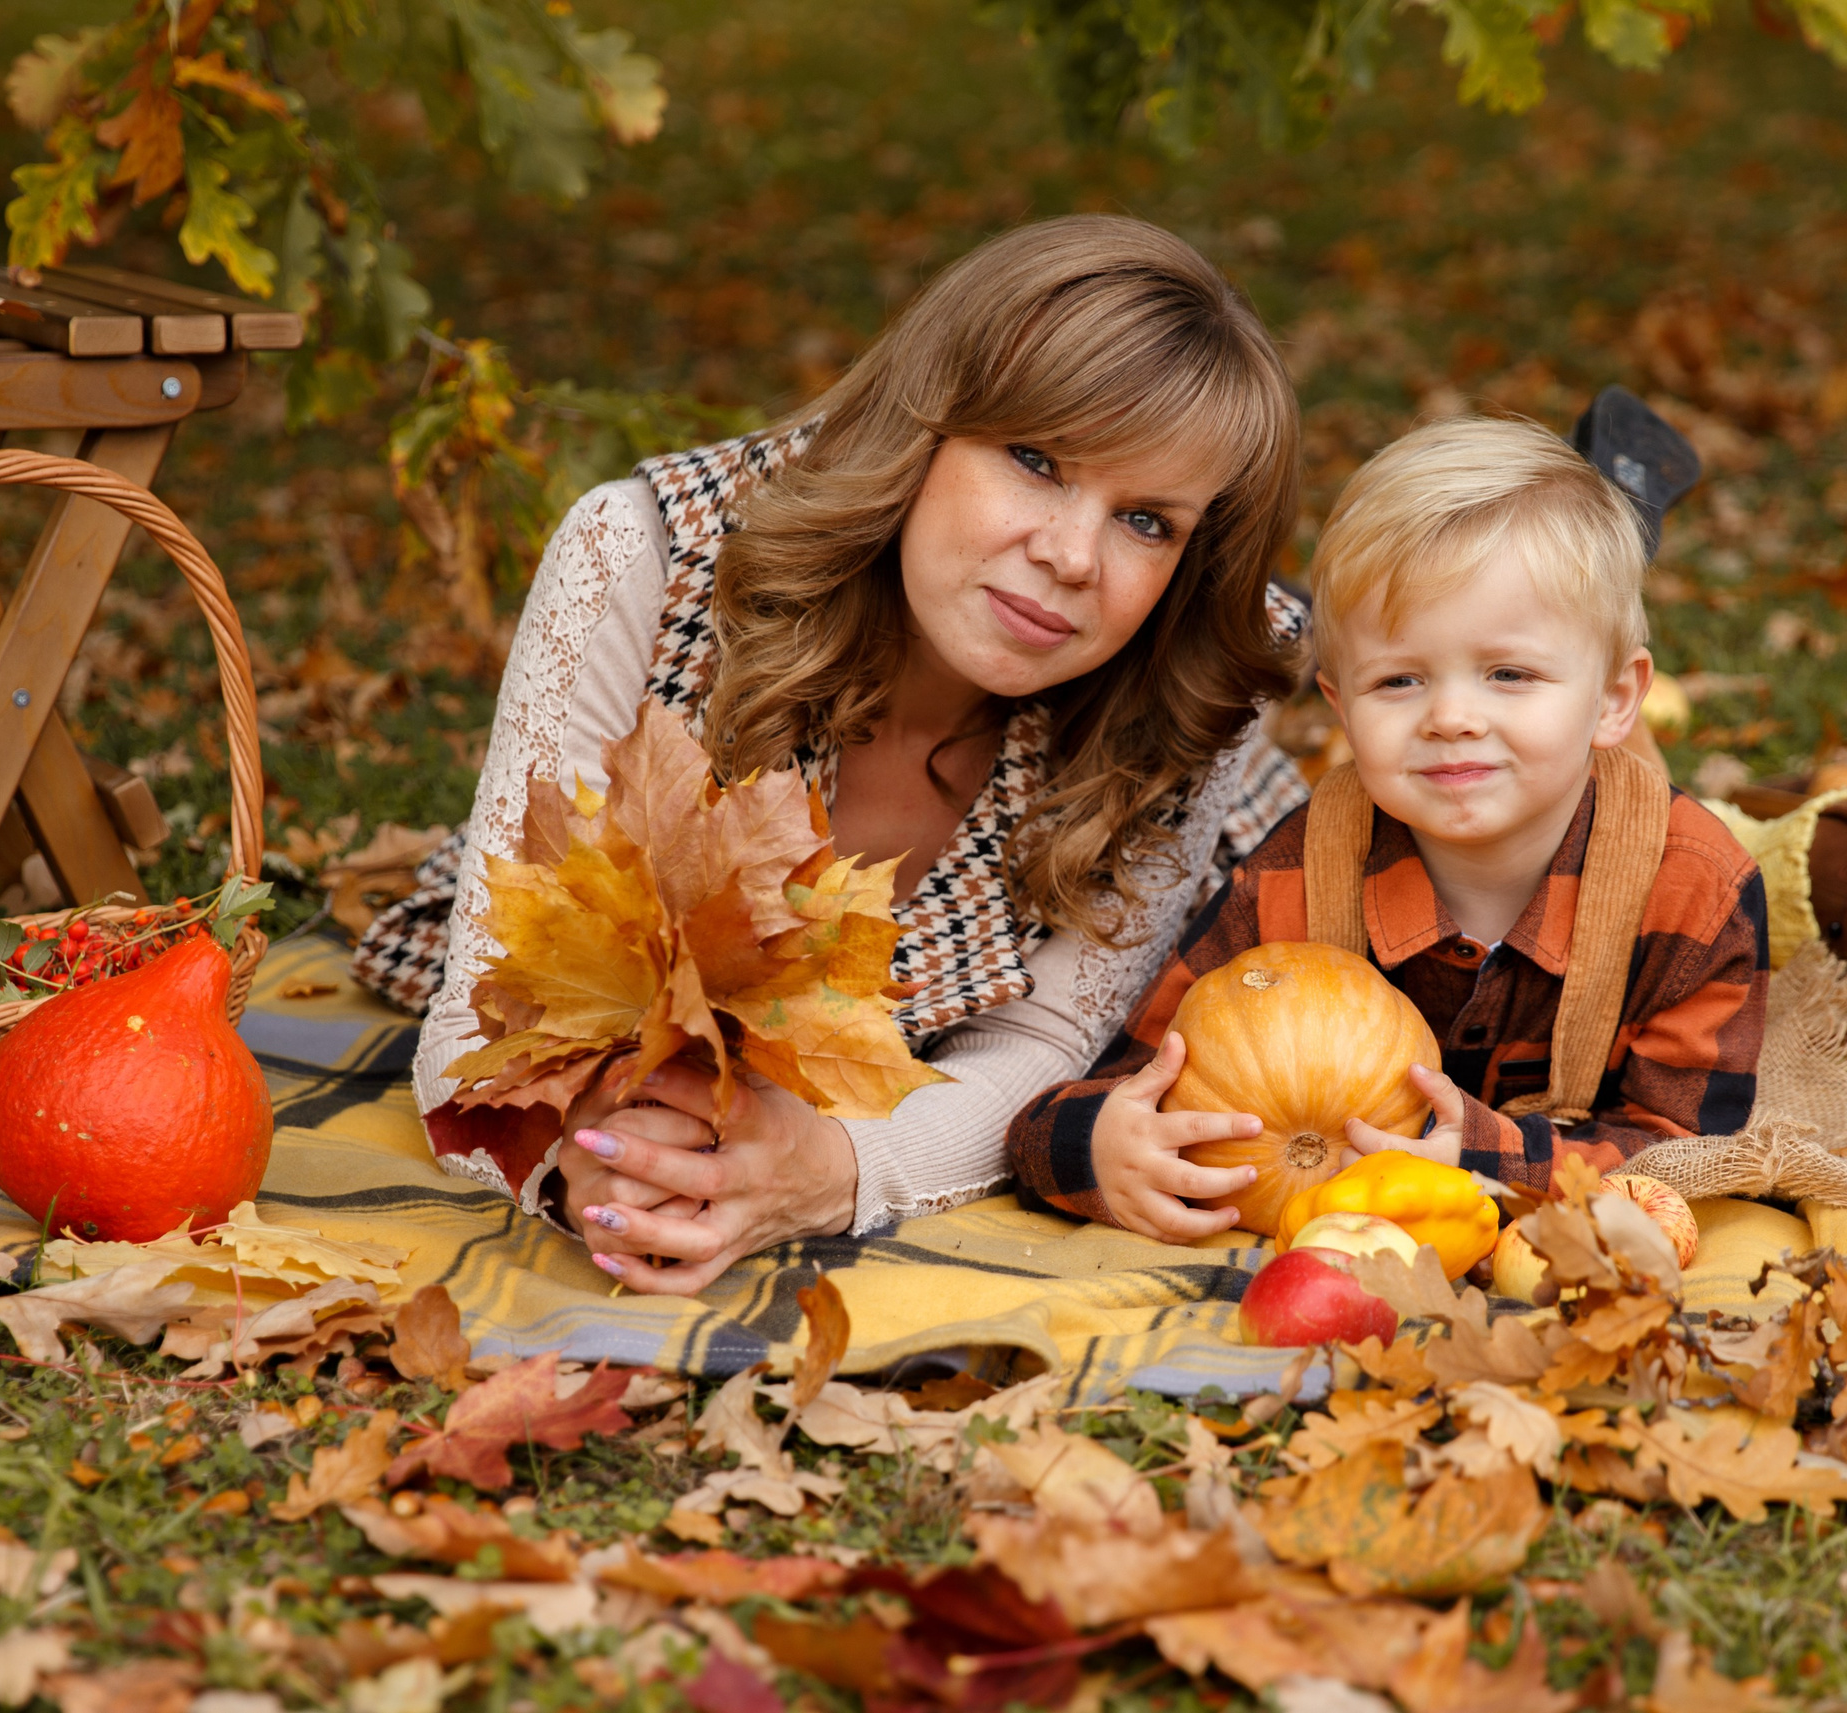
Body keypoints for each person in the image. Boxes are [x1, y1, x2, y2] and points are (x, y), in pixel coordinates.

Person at [353, 215, 1311, 1293]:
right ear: (925, 424)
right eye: (1035, 461)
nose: (1070, 556)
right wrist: (593, 1167)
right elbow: (482, 996)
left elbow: (1043, 1042)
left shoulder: (1193, 678)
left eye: (1146, 520)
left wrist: (836, 1171)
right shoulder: (645, 558)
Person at [1006, 414, 1769, 1241]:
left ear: (1617, 698)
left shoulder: (1694, 887)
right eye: (1399, 680)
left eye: (1509, 673)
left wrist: (1485, 1159)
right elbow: (1105, 1093)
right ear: (1340, 704)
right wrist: (1101, 1151)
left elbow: (1691, 1156)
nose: (1451, 717)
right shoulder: (1304, 873)